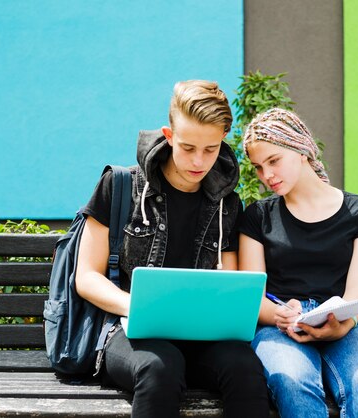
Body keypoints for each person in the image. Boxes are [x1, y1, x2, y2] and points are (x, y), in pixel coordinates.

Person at [75, 80, 269, 418]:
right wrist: (139, 306)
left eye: (211, 149)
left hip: (201, 338)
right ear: (168, 135)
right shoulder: (121, 186)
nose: (199, 160)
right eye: (188, 146)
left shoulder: (227, 205)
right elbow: (87, 277)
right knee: (160, 368)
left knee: (245, 369)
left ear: (222, 139)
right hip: (126, 331)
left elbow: (231, 284)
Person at [239, 108, 358, 418]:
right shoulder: (258, 216)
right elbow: (253, 295)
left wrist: (339, 328)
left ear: (301, 151)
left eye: (274, 160)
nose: (266, 175)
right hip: (279, 327)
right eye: (258, 167)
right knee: (292, 380)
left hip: (344, 327)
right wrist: (284, 315)